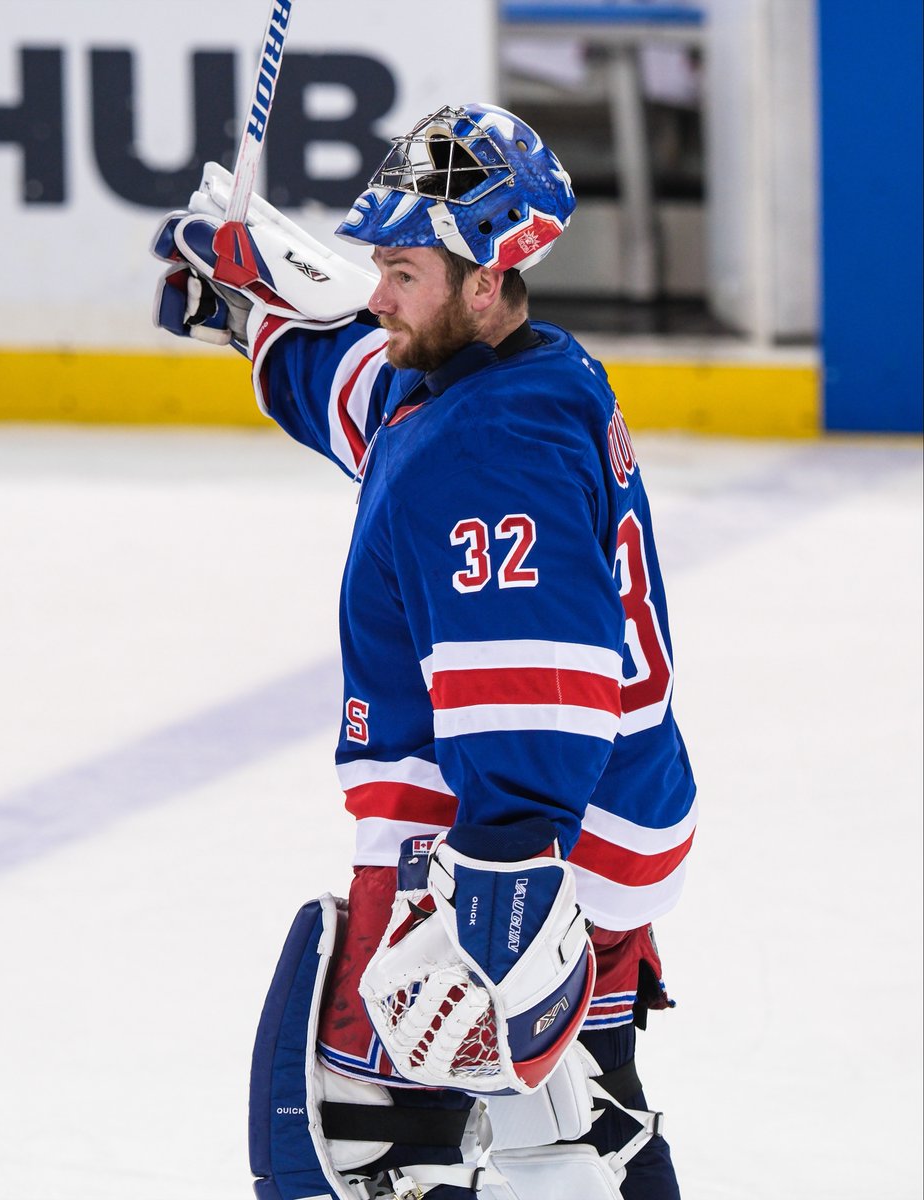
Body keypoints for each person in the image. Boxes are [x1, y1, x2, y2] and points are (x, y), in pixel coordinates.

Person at [153, 103, 695, 1200]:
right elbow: (356, 389)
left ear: (485, 279)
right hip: (609, 822)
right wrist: (252, 315)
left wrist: (498, 888)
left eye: (401, 271)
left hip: (514, 837)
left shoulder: (492, 450)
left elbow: (537, 682)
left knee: (356, 1136)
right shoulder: (498, 380)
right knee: (583, 1128)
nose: (377, 295)